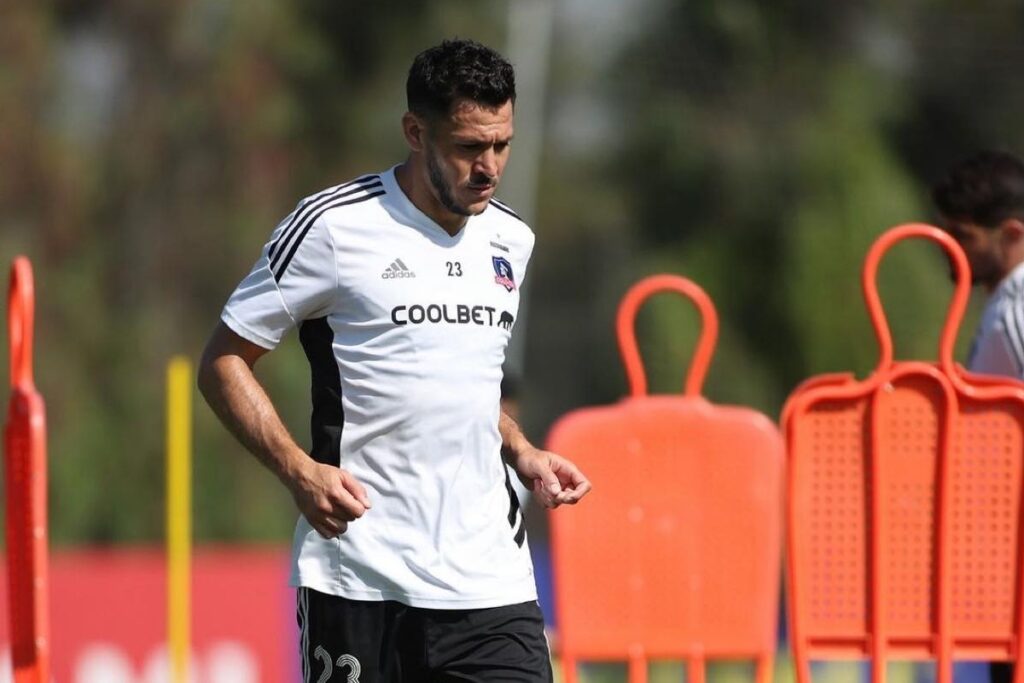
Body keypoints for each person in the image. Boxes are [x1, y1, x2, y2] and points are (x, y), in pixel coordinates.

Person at [197, 38, 591, 683]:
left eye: (502, 144)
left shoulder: (511, 239)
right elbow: (223, 361)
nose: (489, 167)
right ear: (415, 131)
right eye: (468, 147)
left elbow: (460, 382)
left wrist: (522, 451)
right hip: (359, 577)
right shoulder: (332, 228)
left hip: (490, 583)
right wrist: (298, 470)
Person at [932, 149, 1024, 683]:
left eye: (963, 238)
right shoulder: (1001, 306)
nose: (949, 251)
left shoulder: (1016, 312)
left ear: (1012, 233)